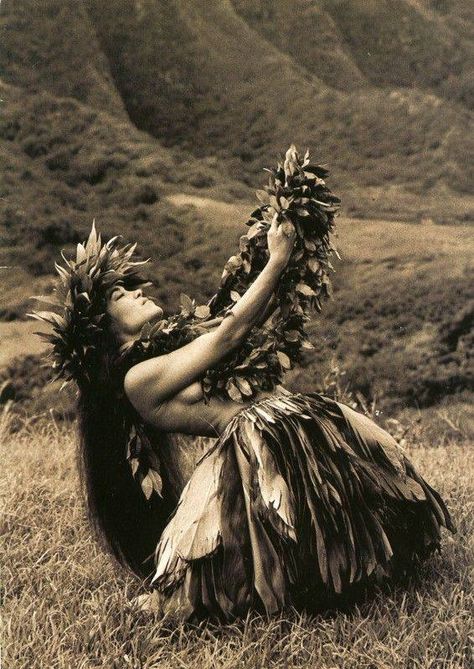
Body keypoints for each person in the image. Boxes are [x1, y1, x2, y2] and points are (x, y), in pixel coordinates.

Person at [31, 221, 455, 622]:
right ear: (104, 328)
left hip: (283, 420)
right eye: (118, 294)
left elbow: (234, 317)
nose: (136, 292)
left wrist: (280, 257)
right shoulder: (137, 379)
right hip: (260, 440)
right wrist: (277, 259)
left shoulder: (164, 351)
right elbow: (229, 335)